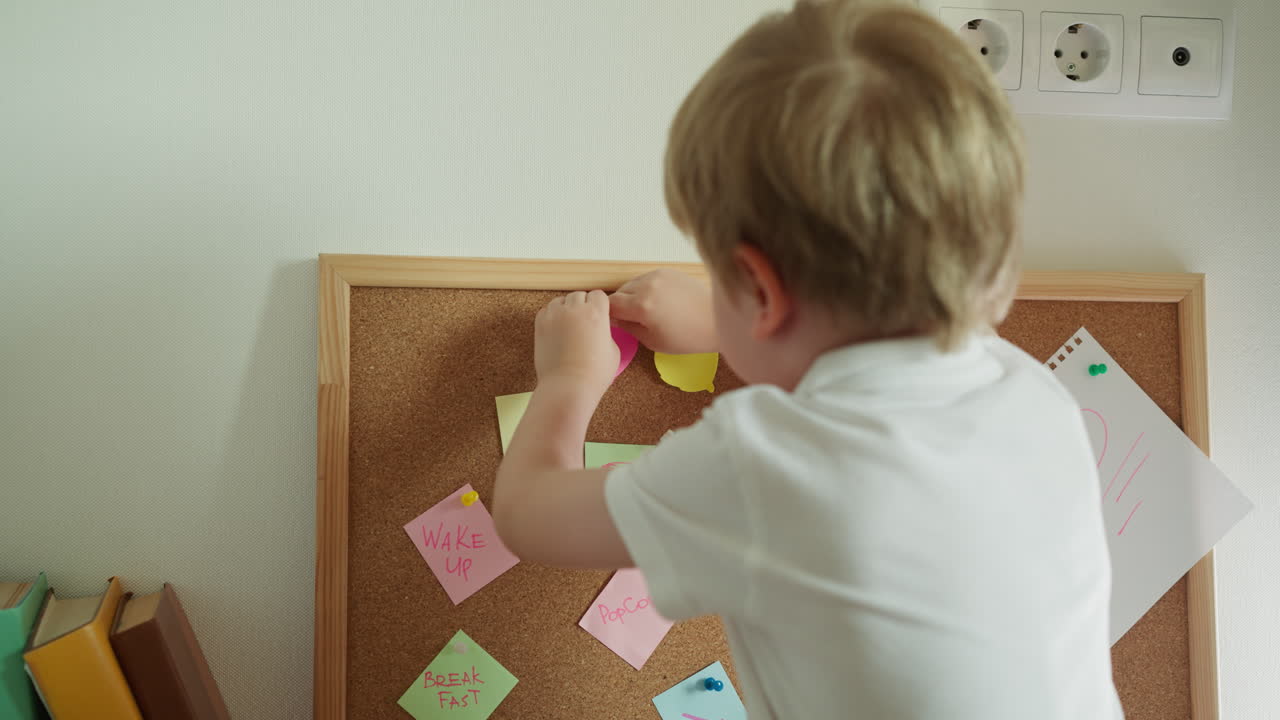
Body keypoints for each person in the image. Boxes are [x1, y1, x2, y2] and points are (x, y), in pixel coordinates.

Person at [492, 1, 1123, 717]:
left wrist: (570, 377)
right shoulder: (1033, 398)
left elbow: (525, 514)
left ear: (762, 289)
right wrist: (725, 323)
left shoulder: (759, 464)